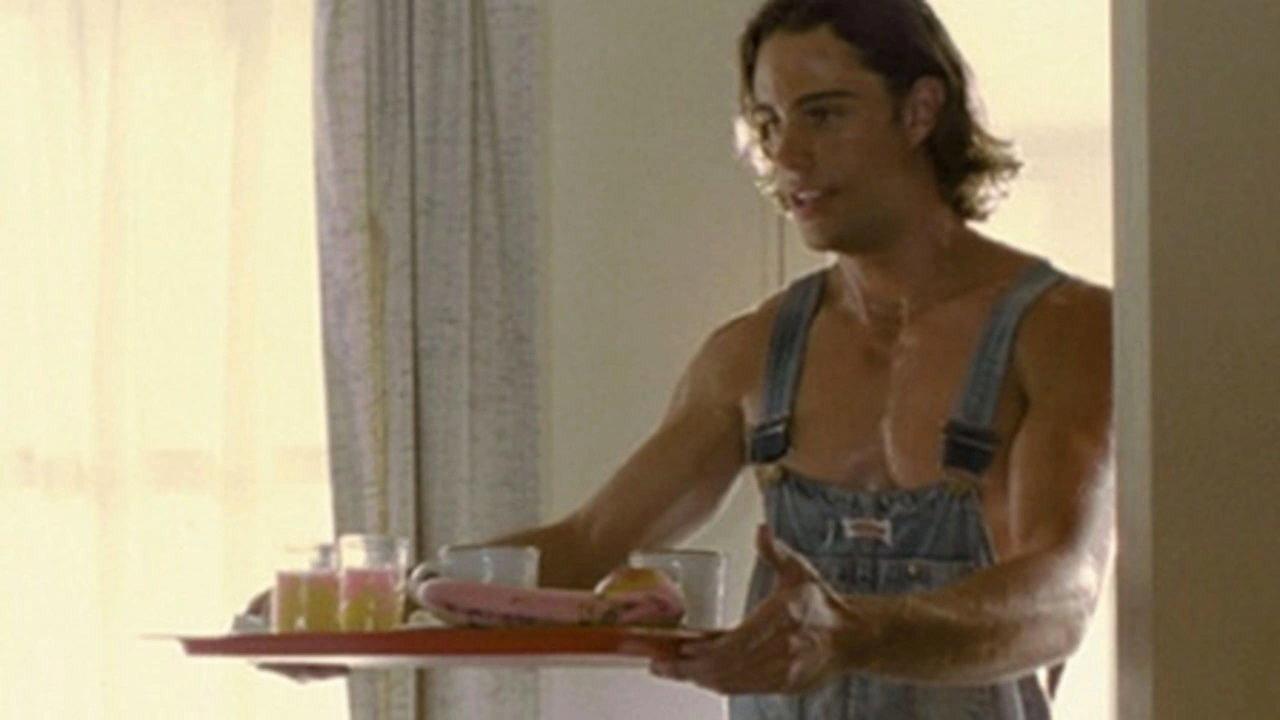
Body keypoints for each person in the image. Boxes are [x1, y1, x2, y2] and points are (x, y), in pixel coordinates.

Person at [262, 0, 1113, 716]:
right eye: (769, 124)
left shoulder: (1063, 328)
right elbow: (591, 542)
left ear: (920, 111)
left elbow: (1062, 598)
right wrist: (381, 605)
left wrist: (853, 633)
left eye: (824, 114)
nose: (788, 157)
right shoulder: (753, 353)